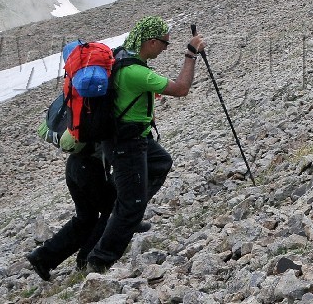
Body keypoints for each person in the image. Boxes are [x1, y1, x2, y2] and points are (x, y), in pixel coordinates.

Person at [85, 16, 206, 273]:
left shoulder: (122, 57)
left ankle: (127, 211)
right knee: (131, 206)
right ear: (151, 42)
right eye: (164, 43)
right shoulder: (135, 72)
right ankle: (99, 260)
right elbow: (181, 89)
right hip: (127, 144)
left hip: (129, 138)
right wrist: (190, 54)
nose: (165, 49)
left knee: (160, 162)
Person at [26, 146, 115, 280]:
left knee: (86, 218)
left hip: (75, 165)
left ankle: (43, 257)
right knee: (111, 210)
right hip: (91, 167)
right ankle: (88, 257)